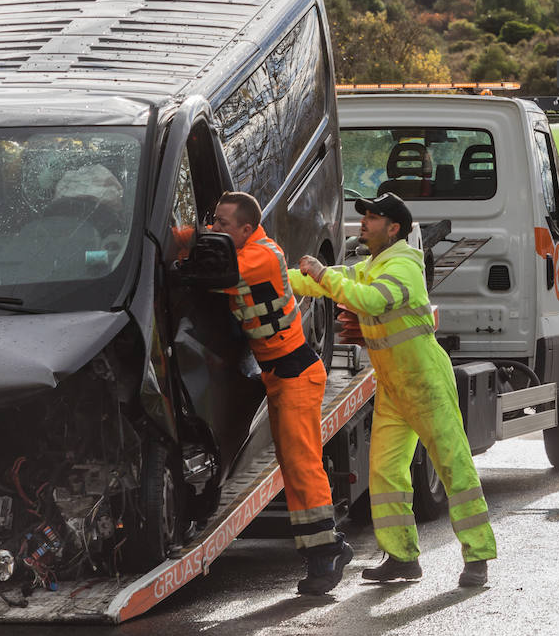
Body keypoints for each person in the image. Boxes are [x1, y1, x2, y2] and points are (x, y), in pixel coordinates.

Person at [290, 191, 496, 588]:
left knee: (454, 466)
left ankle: (478, 556)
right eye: (363, 216)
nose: (363, 223)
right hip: (394, 387)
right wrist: (266, 276)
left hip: (426, 382)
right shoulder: (372, 264)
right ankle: (402, 556)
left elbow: (368, 300)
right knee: (385, 473)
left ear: (394, 227)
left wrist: (322, 274)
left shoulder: (402, 267)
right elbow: (326, 283)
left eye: (372, 218)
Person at [193, 191, 355, 595]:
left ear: (246, 229)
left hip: (296, 373)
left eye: (223, 224)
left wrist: (184, 256)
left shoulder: (262, 255)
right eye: (213, 221)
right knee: (293, 464)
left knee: (302, 466)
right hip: (281, 374)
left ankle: (327, 550)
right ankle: (324, 549)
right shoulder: (245, 247)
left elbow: (212, 275)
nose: (214, 228)